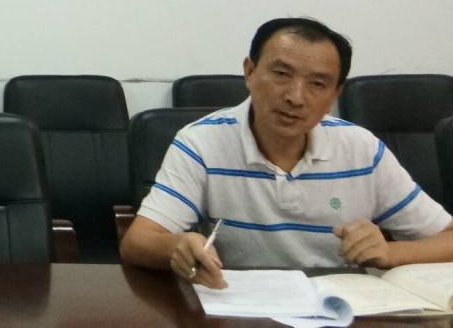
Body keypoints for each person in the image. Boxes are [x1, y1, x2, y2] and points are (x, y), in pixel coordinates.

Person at [120, 17, 453, 288]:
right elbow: (137, 242)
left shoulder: (362, 149)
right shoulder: (201, 143)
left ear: (335, 94)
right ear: (250, 72)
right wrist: (176, 246)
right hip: (242, 310)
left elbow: (447, 238)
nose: (296, 97)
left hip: (343, 313)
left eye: (317, 84)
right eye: (281, 74)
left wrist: (390, 252)